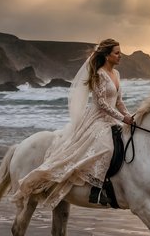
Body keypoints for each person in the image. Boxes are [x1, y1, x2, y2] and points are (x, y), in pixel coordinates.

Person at [13, 38, 134, 212]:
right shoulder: (99, 74)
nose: (120, 55)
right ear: (107, 56)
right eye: (117, 53)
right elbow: (101, 104)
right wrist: (122, 118)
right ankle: (97, 190)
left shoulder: (117, 74)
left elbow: (118, 101)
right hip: (96, 118)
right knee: (106, 148)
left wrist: (128, 115)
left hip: (111, 118)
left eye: (119, 52)